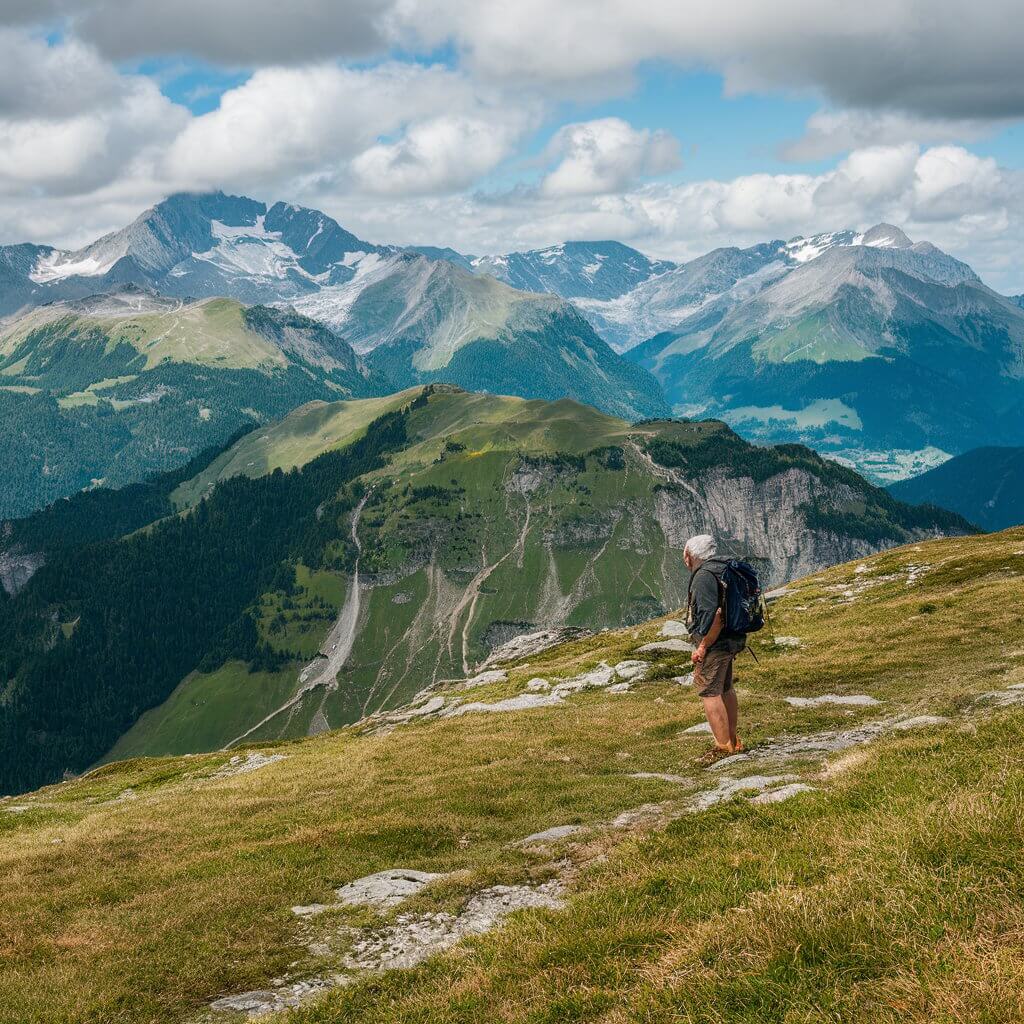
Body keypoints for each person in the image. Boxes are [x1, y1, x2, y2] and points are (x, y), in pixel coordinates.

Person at [684, 534, 744, 766]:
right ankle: (733, 741)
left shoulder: (703, 577)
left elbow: (713, 616)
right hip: (732, 638)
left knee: (709, 691)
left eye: (685, 553)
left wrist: (702, 646)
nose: (684, 557)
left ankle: (723, 747)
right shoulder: (722, 569)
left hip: (716, 643)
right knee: (725, 687)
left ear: (691, 555)